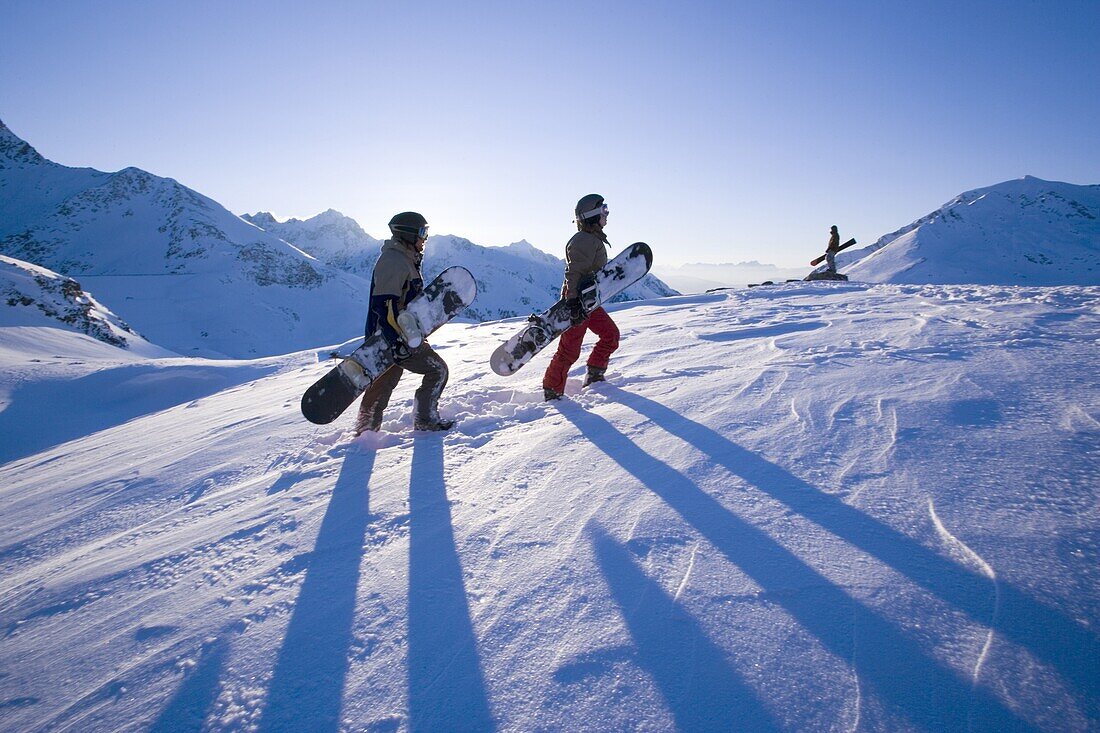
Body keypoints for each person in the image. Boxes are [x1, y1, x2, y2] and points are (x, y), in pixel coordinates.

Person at [354, 211, 453, 434]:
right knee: (437, 371)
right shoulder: (394, 261)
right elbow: (384, 305)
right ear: (407, 234)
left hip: (395, 336)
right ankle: (425, 420)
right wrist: (395, 341)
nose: (425, 238)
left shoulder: (404, 258)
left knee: (383, 383)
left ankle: (365, 431)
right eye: (422, 232)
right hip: (395, 336)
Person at [541, 194, 620, 401]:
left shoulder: (592, 238)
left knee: (610, 335)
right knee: (569, 350)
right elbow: (574, 272)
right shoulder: (584, 240)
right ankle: (552, 390)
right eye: (603, 210)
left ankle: (594, 375)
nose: (607, 214)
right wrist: (573, 302)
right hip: (577, 301)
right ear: (593, 216)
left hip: (588, 301)